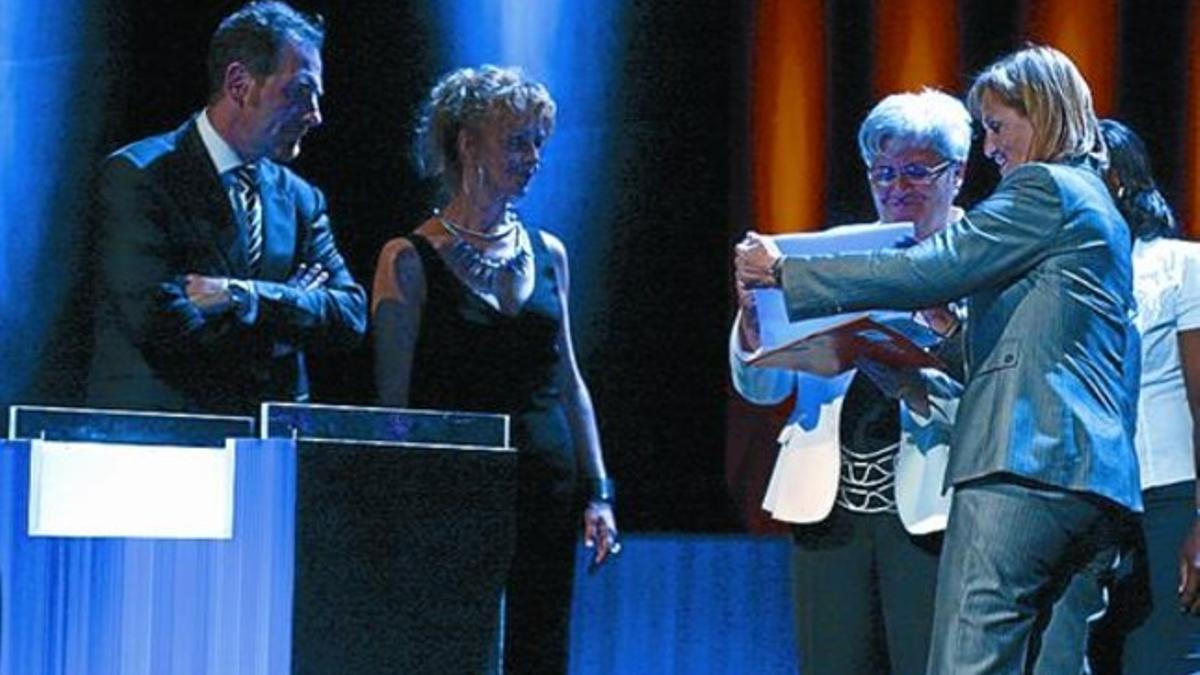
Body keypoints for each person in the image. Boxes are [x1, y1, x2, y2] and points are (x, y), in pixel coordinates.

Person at [735, 45, 1141, 674]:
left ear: (1039, 114)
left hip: (1023, 469)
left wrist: (788, 272)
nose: (990, 149)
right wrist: (944, 345)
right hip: (1087, 481)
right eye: (881, 172)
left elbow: (930, 269)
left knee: (966, 665)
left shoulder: (1041, 187)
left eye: (997, 127)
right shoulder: (1097, 205)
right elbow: (1036, 345)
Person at [371, 65, 618, 674]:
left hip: (546, 488)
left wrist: (599, 492)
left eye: (539, 141)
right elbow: (392, 408)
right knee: (456, 650)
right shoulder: (408, 259)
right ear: (466, 143)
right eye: (517, 140)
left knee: (540, 648)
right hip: (453, 494)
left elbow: (570, 382)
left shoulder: (549, 252)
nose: (533, 156)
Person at [729, 89, 969, 674]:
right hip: (827, 506)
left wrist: (935, 341)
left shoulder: (984, 258)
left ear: (957, 175)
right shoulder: (832, 255)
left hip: (933, 506)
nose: (895, 188)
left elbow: (1004, 390)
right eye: (882, 172)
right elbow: (762, 392)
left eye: (916, 172)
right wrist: (755, 327)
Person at [87, 1, 367, 415]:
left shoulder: (302, 199)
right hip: (163, 446)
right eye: (300, 92)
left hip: (266, 451)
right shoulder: (139, 176)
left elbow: (350, 316)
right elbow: (165, 332)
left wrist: (241, 296)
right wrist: (292, 310)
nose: (316, 115)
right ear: (240, 84)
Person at [1088, 118, 1200, 674]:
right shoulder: (1068, 271)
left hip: (1169, 496)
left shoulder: (1181, 265)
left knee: (1163, 658)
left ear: (1119, 180)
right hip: (1090, 502)